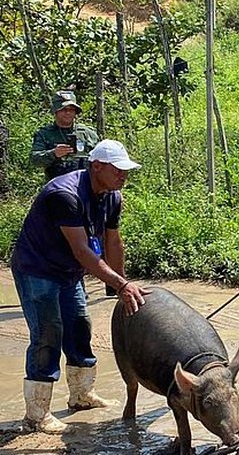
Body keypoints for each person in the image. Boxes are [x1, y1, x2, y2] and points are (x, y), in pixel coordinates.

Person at [11, 139, 149, 434]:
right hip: (38, 269)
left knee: (79, 326)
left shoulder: (112, 196)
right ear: (96, 167)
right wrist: (121, 283)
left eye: (126, 170)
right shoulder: (64, 194)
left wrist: (118, 290)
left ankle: (82, 396)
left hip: (69, 272)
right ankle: (37, 414)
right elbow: (83, 251)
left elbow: (112, 241)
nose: (123, 176)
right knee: (47, 334)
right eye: (118, 170)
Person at [30, 90, 100, 181]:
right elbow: (34, 160)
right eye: (64, 109)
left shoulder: (88, 133)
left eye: (71, 110)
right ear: (56, 111)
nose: (68, 113)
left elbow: (102, 158)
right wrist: (54, 154)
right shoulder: (44, 134)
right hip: (57, 186)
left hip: (85, 185)